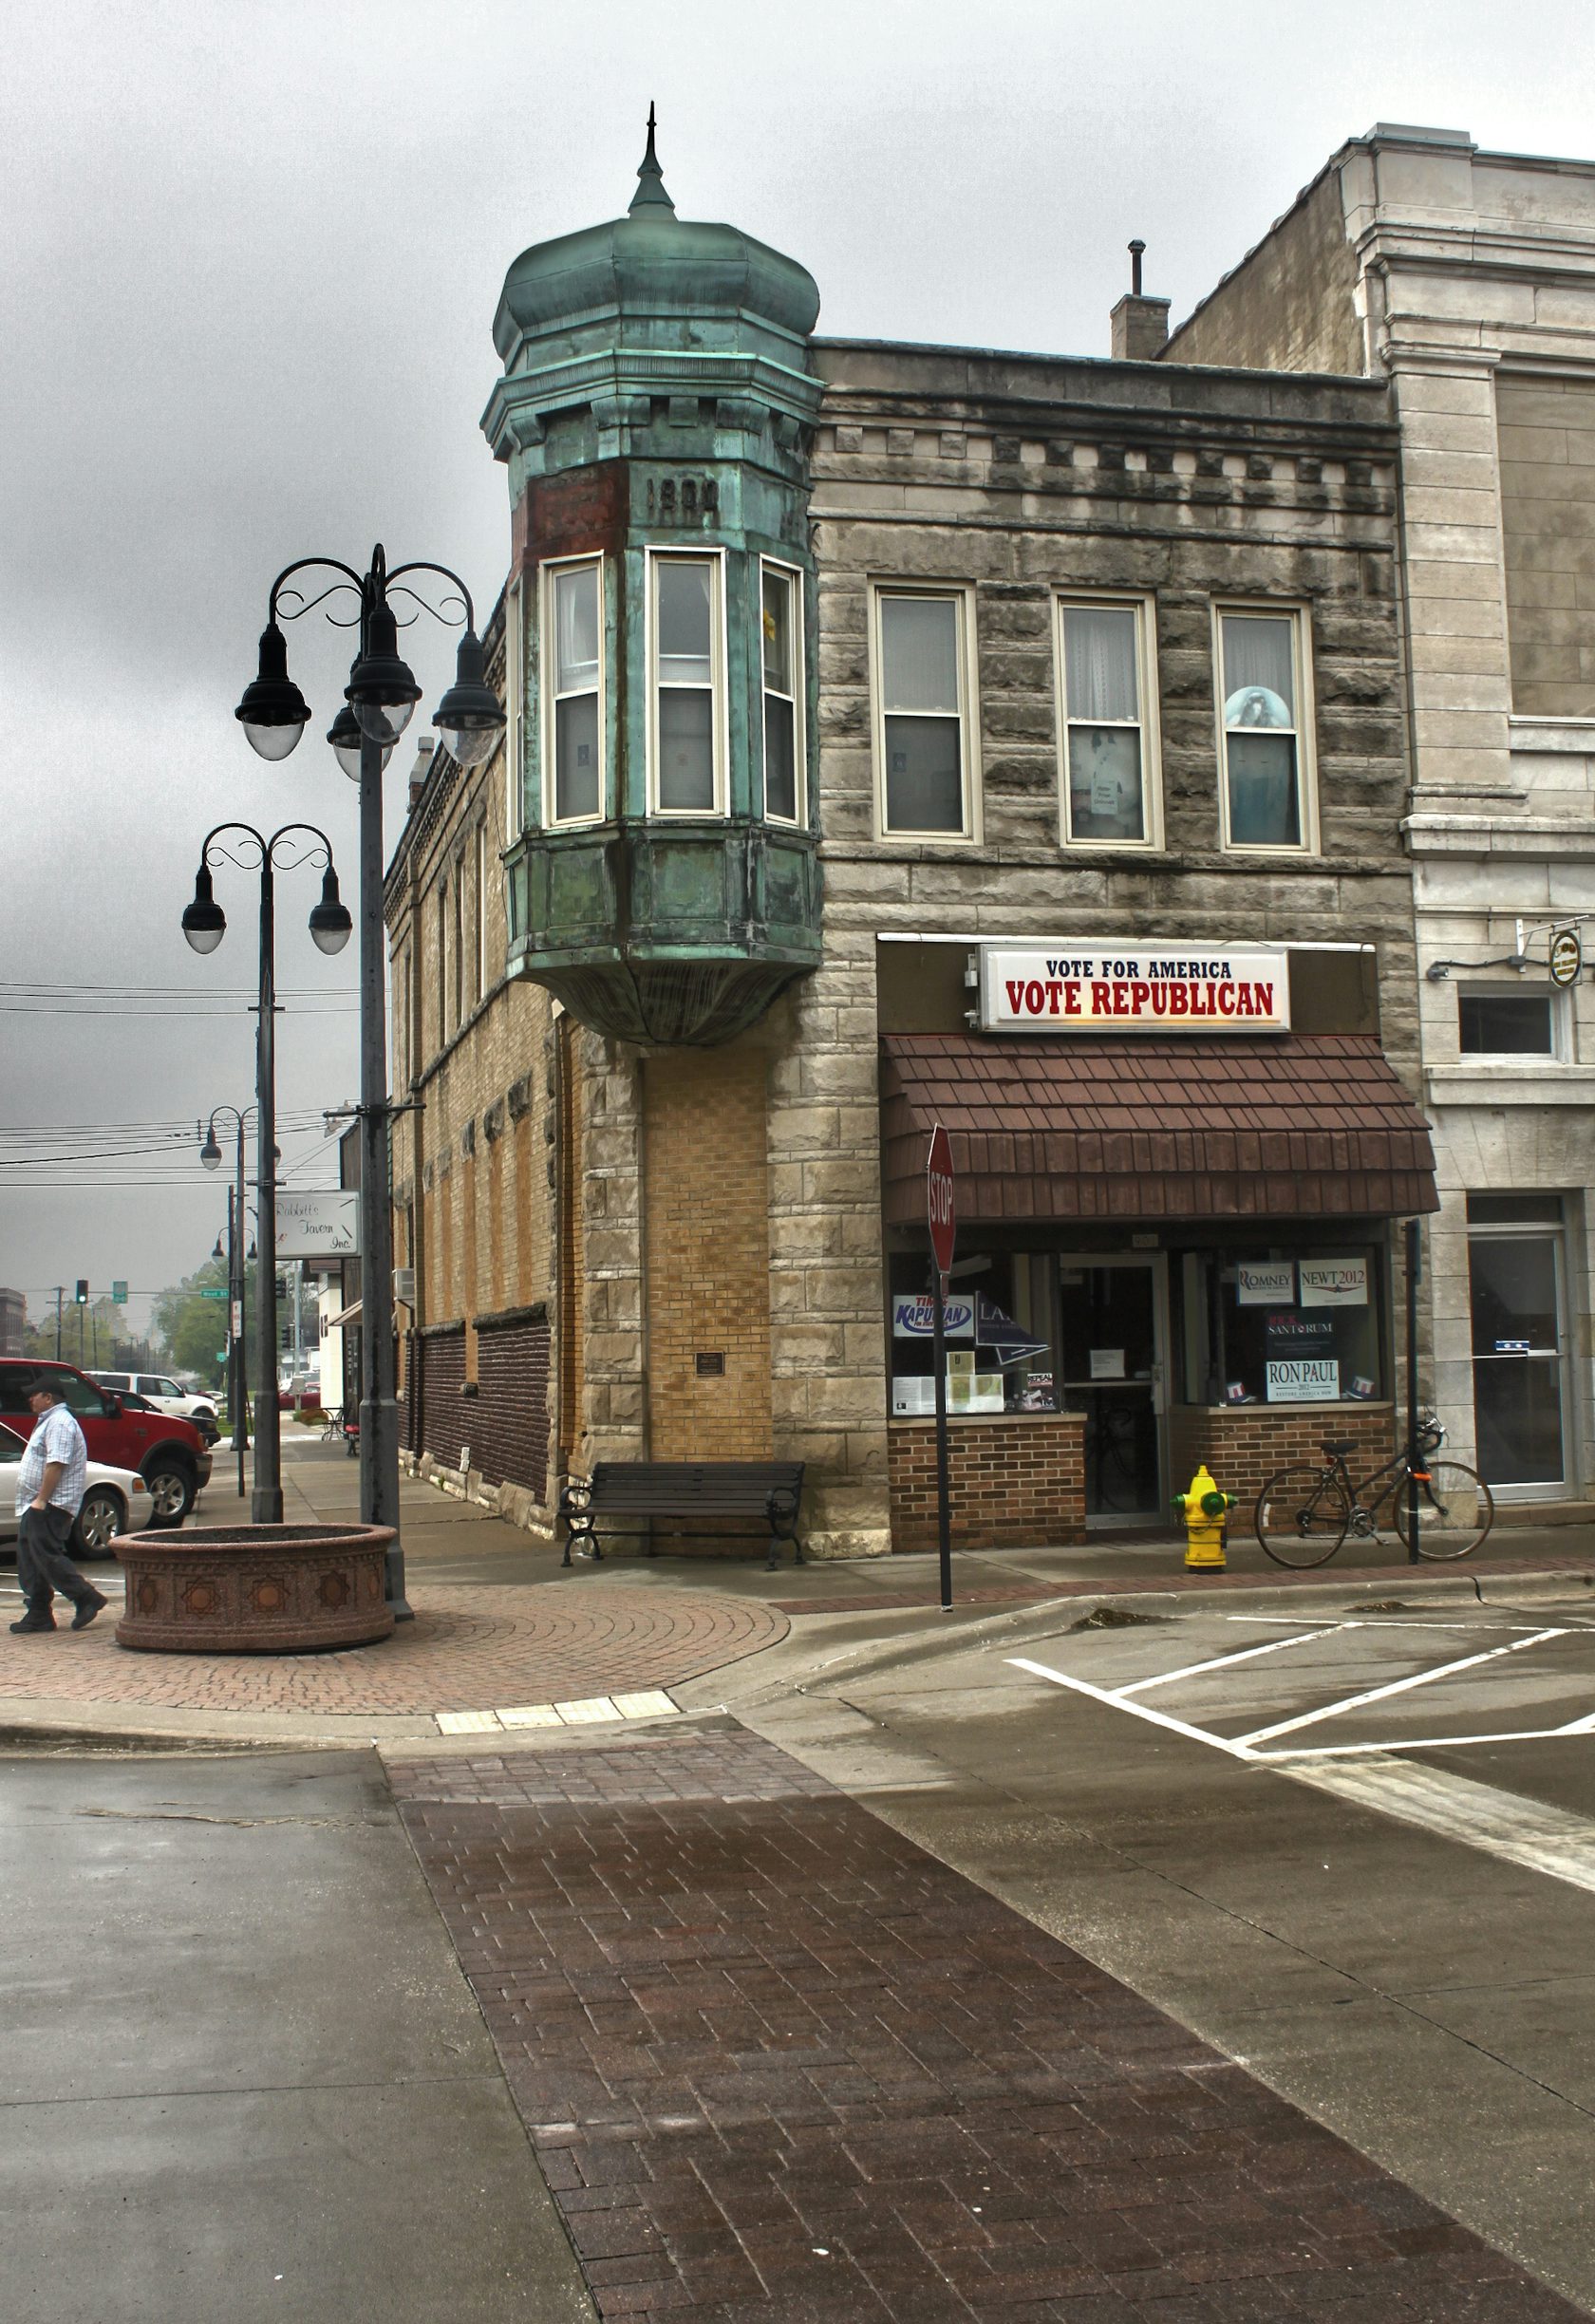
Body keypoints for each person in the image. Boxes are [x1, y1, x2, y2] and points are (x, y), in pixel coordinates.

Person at [9, 1378, 108, 1634]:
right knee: (30, 1557)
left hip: (52, 1503)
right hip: (39, 1503)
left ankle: (86, 1597)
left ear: (49, 1397)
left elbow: (56, 1463)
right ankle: (39, 1611)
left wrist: (42, 1499)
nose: (30, 1399)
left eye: (34, 1395)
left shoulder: (60, 1423)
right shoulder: (49, 1421)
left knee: (46, 1555)